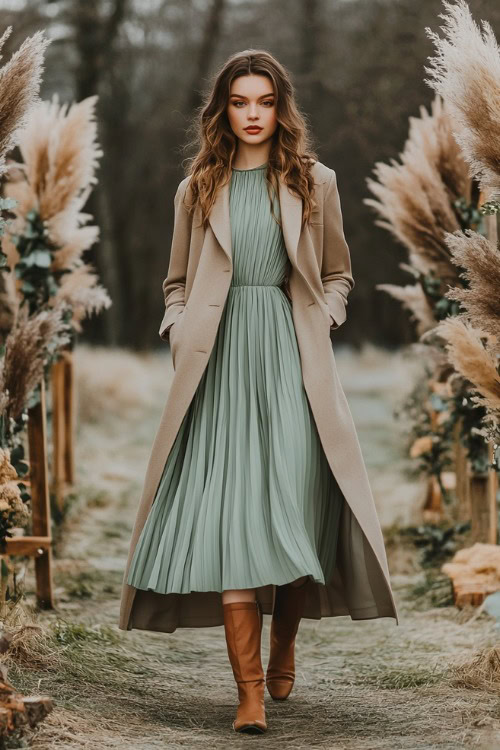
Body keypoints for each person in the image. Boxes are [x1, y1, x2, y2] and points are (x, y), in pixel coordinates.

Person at [119, 48, 398, 735]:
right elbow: (175, 283)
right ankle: (247, 694)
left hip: (290, 360)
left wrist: (328, 315)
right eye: (239, 102)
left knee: (296, 515)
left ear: (281, 109)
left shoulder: (315, 181)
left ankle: (286, 642)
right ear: (223, 110)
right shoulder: (198, 188)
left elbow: (338, 274)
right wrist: (177, 325)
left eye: (264, 102)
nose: (252, 115)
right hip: (216, 367)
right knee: (238, 518)